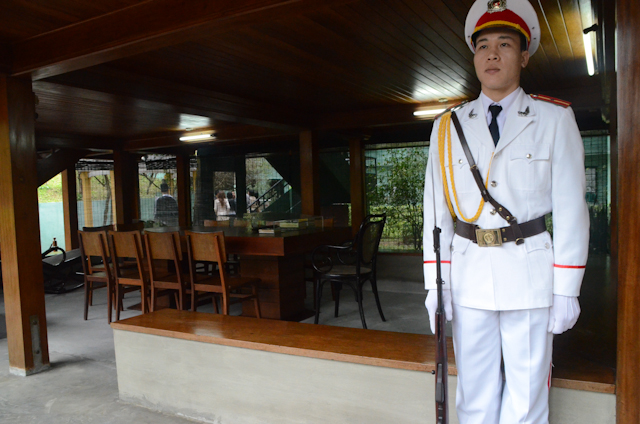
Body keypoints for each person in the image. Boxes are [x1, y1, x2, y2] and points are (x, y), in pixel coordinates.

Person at [422, 1, 589, 423]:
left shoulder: (554, 119)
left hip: (530, 277)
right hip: (468, 275)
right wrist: (435, 282)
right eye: (482, 45)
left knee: (527, 398)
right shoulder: (447, 126)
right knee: (473, 395)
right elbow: (436, 214)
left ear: (525, 54)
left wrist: (567, 287)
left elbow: (571, 208)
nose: (492, 54)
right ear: (474, 56)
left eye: (504, 44)